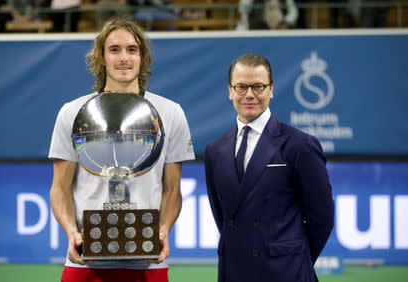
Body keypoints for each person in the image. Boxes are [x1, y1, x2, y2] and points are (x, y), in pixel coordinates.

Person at [49, 16, 195, 281]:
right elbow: (60, 187)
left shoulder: (171, 113)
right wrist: (72, 232)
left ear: (142, 58)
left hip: (147, 262)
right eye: (114, 49)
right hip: (86, 261)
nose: (123, 57)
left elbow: (172, 189)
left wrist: (163, 229)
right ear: (102, 58)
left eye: (132, 49)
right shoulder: (71, 113)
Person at [204, 53, 334, 282]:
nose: (250, 95)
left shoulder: (300, 145)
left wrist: (294, 258)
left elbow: (321, 218)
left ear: (271, 89)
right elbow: (224, 218)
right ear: (230, 91)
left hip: (286, 272)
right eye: (241, 87)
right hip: (234, 271)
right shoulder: (215, 150)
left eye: (258, 86)